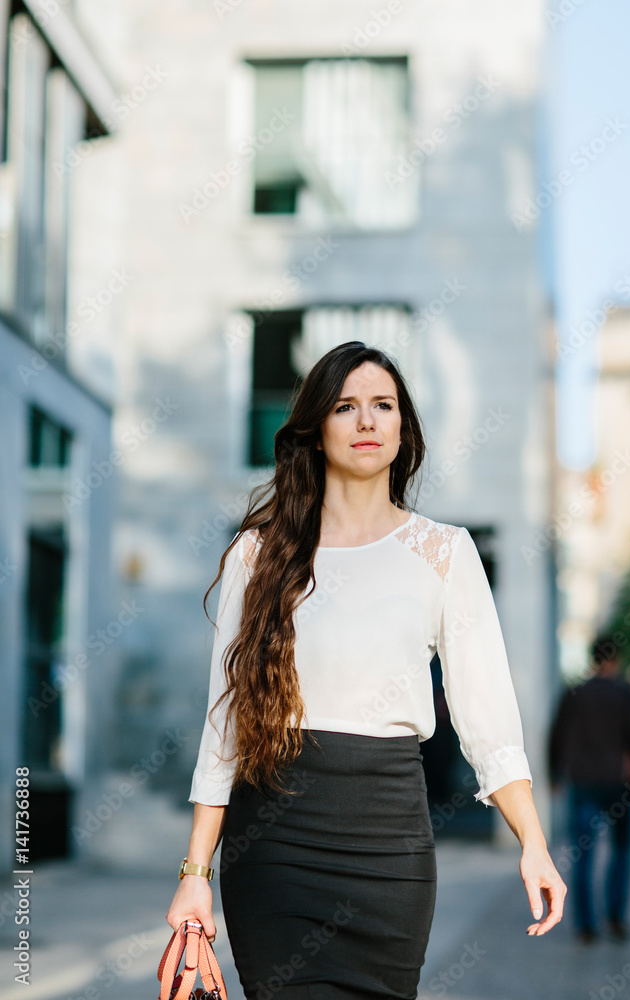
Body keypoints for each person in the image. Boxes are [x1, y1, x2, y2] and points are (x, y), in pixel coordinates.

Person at [167, 342, 566, 1000]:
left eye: (382, 405)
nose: (365, 420)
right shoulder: (256, 555)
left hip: (388, 842)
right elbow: (224, 727)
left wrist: (532, 841)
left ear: (402, 428)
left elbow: (487, 717)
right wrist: (193, 872)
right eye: (345, 406)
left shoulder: (443, 551)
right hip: (274, 845)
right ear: (316, 431)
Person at [548, 634, 630, 945]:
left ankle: (585, 924)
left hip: (583, 781)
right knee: (621, 851)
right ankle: (615, 916)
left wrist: (554, 775)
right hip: (619, 783)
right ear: (616, 659)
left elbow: (555, 735)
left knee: (582, 853)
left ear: (592, 658)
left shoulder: (574, 693)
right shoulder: (625, 694)